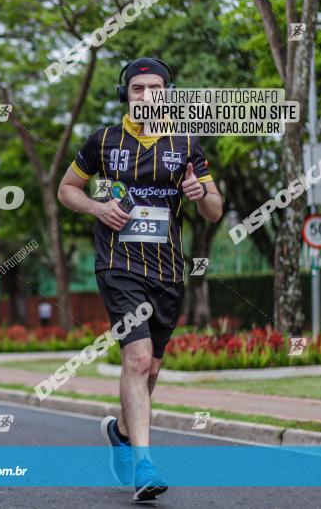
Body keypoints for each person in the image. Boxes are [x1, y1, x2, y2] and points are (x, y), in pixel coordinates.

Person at [57, 58, 223, 502]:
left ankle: (122, 432)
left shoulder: (187, 143)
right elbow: (66, 189)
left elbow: (215, 209)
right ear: (125, 95)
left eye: (155, 88)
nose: (147, 96)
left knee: (150, 367)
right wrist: (97, 208)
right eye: (137, 89)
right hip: (119, 264)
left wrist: (200, 192)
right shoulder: (104, 142)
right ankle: (144, 465)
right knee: (137, 357)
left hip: (168, 271)